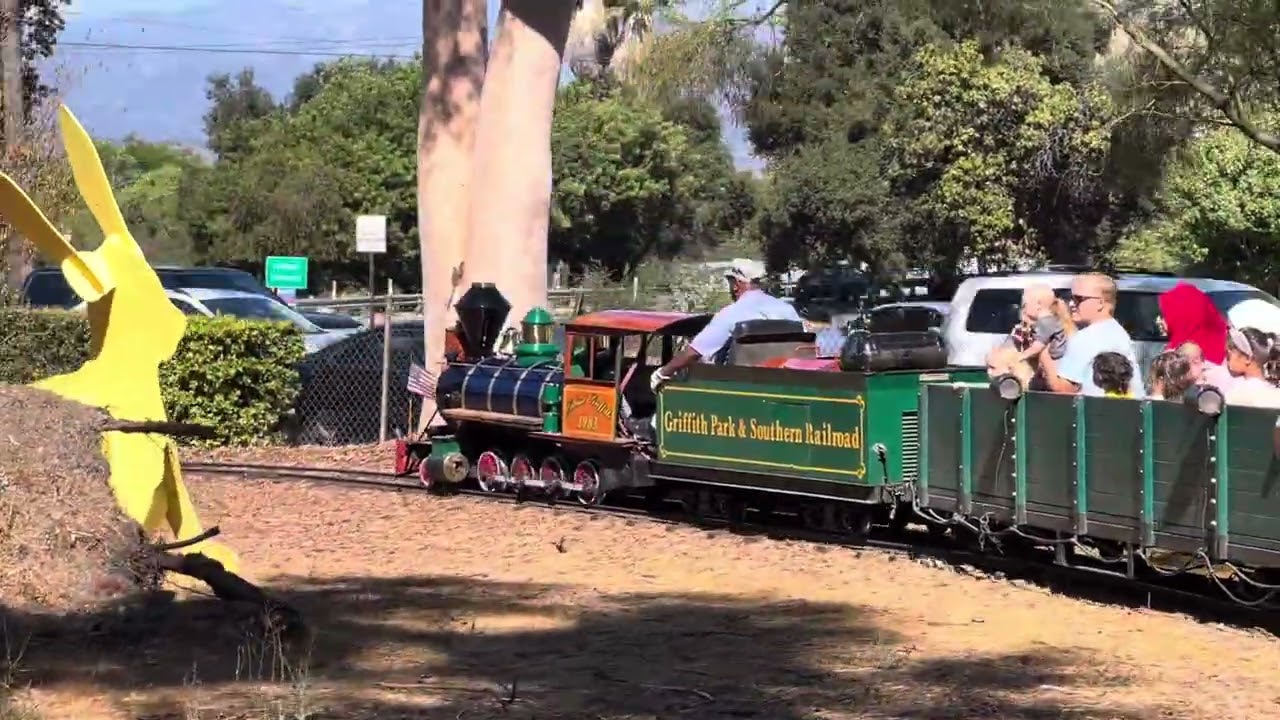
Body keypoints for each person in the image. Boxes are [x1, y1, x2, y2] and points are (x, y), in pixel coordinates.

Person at [651, 259, 800, 390]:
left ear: (736, 284)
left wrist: (663, 372)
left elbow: (696, 351)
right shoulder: (787, 309)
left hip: (736, 385)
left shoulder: (732, 313)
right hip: (782, 384)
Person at [1039, 273, 1145, 397]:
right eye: (1071, 298)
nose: (1072, 304)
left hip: (1095, 413)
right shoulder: (1118, 332)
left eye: (1079, 299)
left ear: (1100, 303)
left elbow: (1065, 390)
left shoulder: (1087, 337)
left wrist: (1044, 355)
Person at [1157, 282, 1233, 390]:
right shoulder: (1229, 351)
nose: (1160, 321)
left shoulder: (1173, 360)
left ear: (1181, 315)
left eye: (1166, 315)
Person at [1223, 327, 1280, 407]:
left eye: (1229, 355)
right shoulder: (1275, 393)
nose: (1226, 361)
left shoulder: (1237, 395)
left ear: (1247, 358)